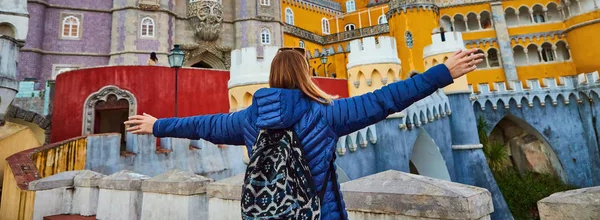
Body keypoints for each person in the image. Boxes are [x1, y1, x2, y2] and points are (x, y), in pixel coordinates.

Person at [126, 47, 483, 220]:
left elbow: (203, 125)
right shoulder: (328, 114)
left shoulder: (249, 119)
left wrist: (157, 125)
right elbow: (387, 98)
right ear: (305, 75)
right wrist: (443, 73)